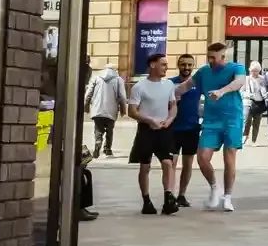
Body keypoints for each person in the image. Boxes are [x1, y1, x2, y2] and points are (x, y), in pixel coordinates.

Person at [190, 40, 251, 211]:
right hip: (211, 120)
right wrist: (170, 91)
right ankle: (215, 187)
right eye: (208, 57)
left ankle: (228, 197)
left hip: (232, 119)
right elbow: (187, 85)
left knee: (229, 157)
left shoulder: (236, 68)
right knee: (202, 157)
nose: (210, 61)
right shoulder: (204, 71)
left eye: (213, 58)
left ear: (223, 57)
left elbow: (239, 82)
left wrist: (221, 91)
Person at [128, 53, 182, 215]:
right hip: (146, 130)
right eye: (163, 64)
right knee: (145, 166)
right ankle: (146, 201)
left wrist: (170, 119)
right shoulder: (139, 87)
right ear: (152, 65)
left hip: (164, 130)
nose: (166, 67)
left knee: (168, 163)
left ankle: (168, 199)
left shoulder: (169, 85)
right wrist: (149, 120)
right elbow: (132, 111)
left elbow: (173, 105)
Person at [170, 54, 202, 207]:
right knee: (171, 164)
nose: (186, 68)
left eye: (190, 65)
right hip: (172, 129)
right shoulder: (169, 83)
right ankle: (170, 194)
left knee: (188, 164)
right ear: (178, 65)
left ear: (193, 66)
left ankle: (182, 195)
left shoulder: (198, 84)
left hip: (192, 129)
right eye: (183, 64)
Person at [85, 62, 127, 160]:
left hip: (97, 108)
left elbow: (88, 93)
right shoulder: (118, 80)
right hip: (111, 110)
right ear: (114, 70)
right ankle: (107, 149)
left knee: (98, 129)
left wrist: (86, 106)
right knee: (109, 130)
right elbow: (122, 96)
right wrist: (123, 110)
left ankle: (98, 143)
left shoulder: (96, 77)